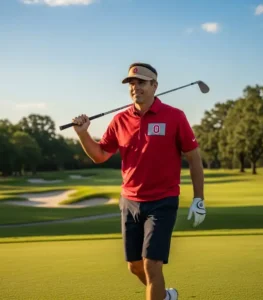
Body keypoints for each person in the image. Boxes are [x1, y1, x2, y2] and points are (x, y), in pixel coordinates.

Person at [72, 62, 206, 300]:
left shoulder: (174, 116)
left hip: (163, 200)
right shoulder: (120, 120)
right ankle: (165, 296)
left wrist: (199, 198)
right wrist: (83, 134)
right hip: (130, 202)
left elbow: (194, 158)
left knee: (151, 265)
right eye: (132, 83)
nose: (136, 88)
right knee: (134, 265)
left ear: (155, 85)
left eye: (141, 82)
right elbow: (100, 155)